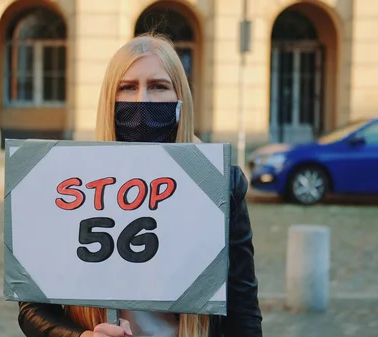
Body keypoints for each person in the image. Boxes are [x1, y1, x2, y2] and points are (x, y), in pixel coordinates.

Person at [17, 33, 263, 337]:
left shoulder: (219, 183)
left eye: (158, 86)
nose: (142, 100)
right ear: (110, 97)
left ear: (179, 98)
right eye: (128, 87)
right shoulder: (69, 181)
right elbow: (33, 308)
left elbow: (243, 307)